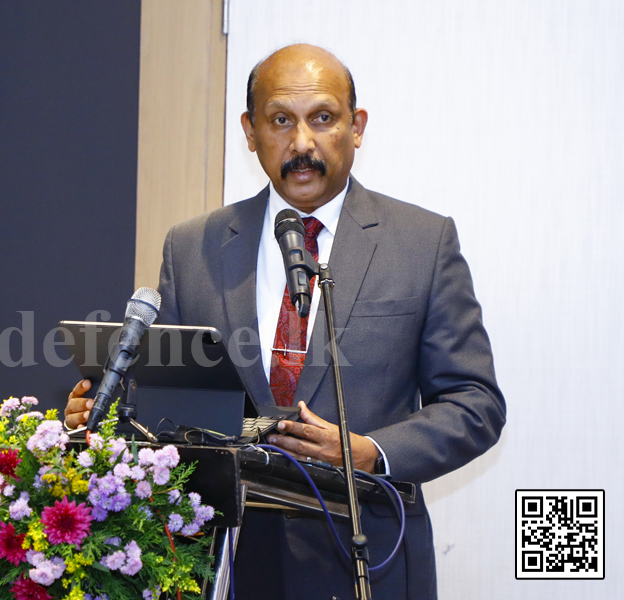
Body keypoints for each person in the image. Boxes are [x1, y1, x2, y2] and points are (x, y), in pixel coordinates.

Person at [65, 44, 505, 599]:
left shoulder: (421, 243)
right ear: (250, 132)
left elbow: (475, 404)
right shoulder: (193, 247)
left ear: (357, 125)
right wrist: (107, 415)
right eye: (280, 121)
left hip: (366, 557)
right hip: (225, 560)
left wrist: (370, 451)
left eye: (323, 118)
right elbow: (168, 401)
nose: (302, 143)